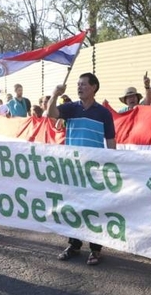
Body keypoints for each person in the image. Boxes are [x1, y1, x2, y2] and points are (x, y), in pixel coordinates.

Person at [47, 72, 116, 266]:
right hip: (73, 169)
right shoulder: (70, 108)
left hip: (94, 171)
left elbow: (110, 141)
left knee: (94, 209)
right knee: (74, 208)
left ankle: (95, 249)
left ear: (94, 87)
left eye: (83, 84)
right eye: (77, 84)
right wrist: (54, 94)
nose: (79, 87)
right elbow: (51, 114)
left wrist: (113, 166)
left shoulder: (103, 113)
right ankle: (74, 245)